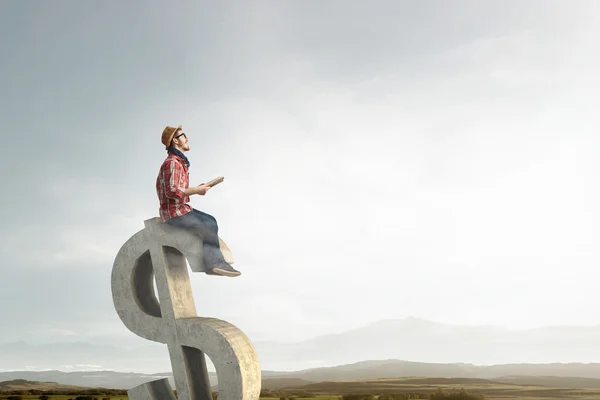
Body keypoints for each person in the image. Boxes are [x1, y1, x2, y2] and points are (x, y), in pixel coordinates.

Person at [155, 124, 241, 277]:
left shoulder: (179, 163)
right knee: (208, 224)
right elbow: (172, 191)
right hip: (174, 213)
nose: (187, 138)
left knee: (211, 220)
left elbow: (177, 190)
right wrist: (196, 190)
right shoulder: (172, 163)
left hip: (181, 208)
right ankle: (214, 264)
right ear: (175, 141)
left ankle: (214, 263)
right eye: (183, 136)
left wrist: (198, 189)